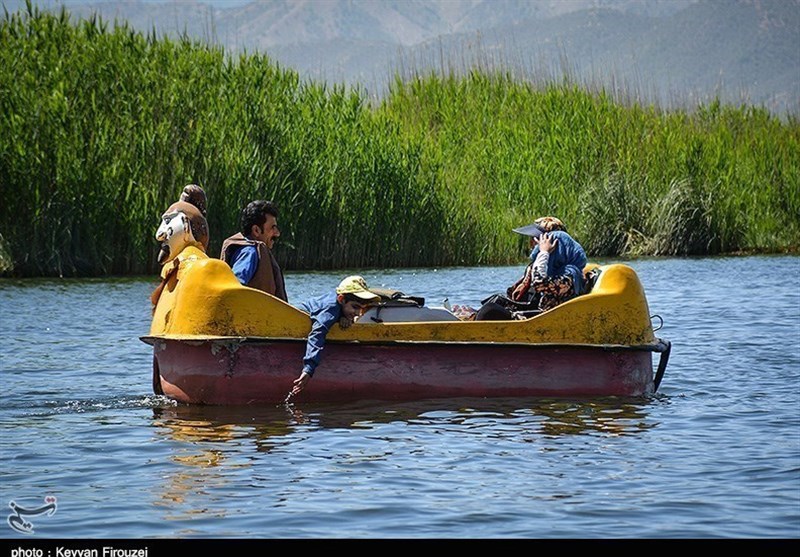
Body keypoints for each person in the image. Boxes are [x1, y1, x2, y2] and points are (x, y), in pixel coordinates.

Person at [476, 216, 587, 320]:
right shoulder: (541, 268)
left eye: (538, 240)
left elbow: (539, 283)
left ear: (555, 246)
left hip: (542, 320)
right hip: (527, 314)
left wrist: (544, 253)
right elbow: (512, 294)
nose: (532, 245)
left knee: (489, 310)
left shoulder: (570, 277)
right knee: (493, 302)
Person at [289, 276, 381, 397]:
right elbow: (317, 335)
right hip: (293, 321)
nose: (358, 314)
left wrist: (343, 317)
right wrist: (308, 370)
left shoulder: (340, 304)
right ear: (341, 299)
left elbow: (341, 312)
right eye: (355, 307)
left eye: (362, 309)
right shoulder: (330, 310)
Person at [220, 200, 287, 301]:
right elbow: (234, 287)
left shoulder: (248, 250)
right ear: (256, 230)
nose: (277, 233)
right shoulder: (250, 252)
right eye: (273, 228)